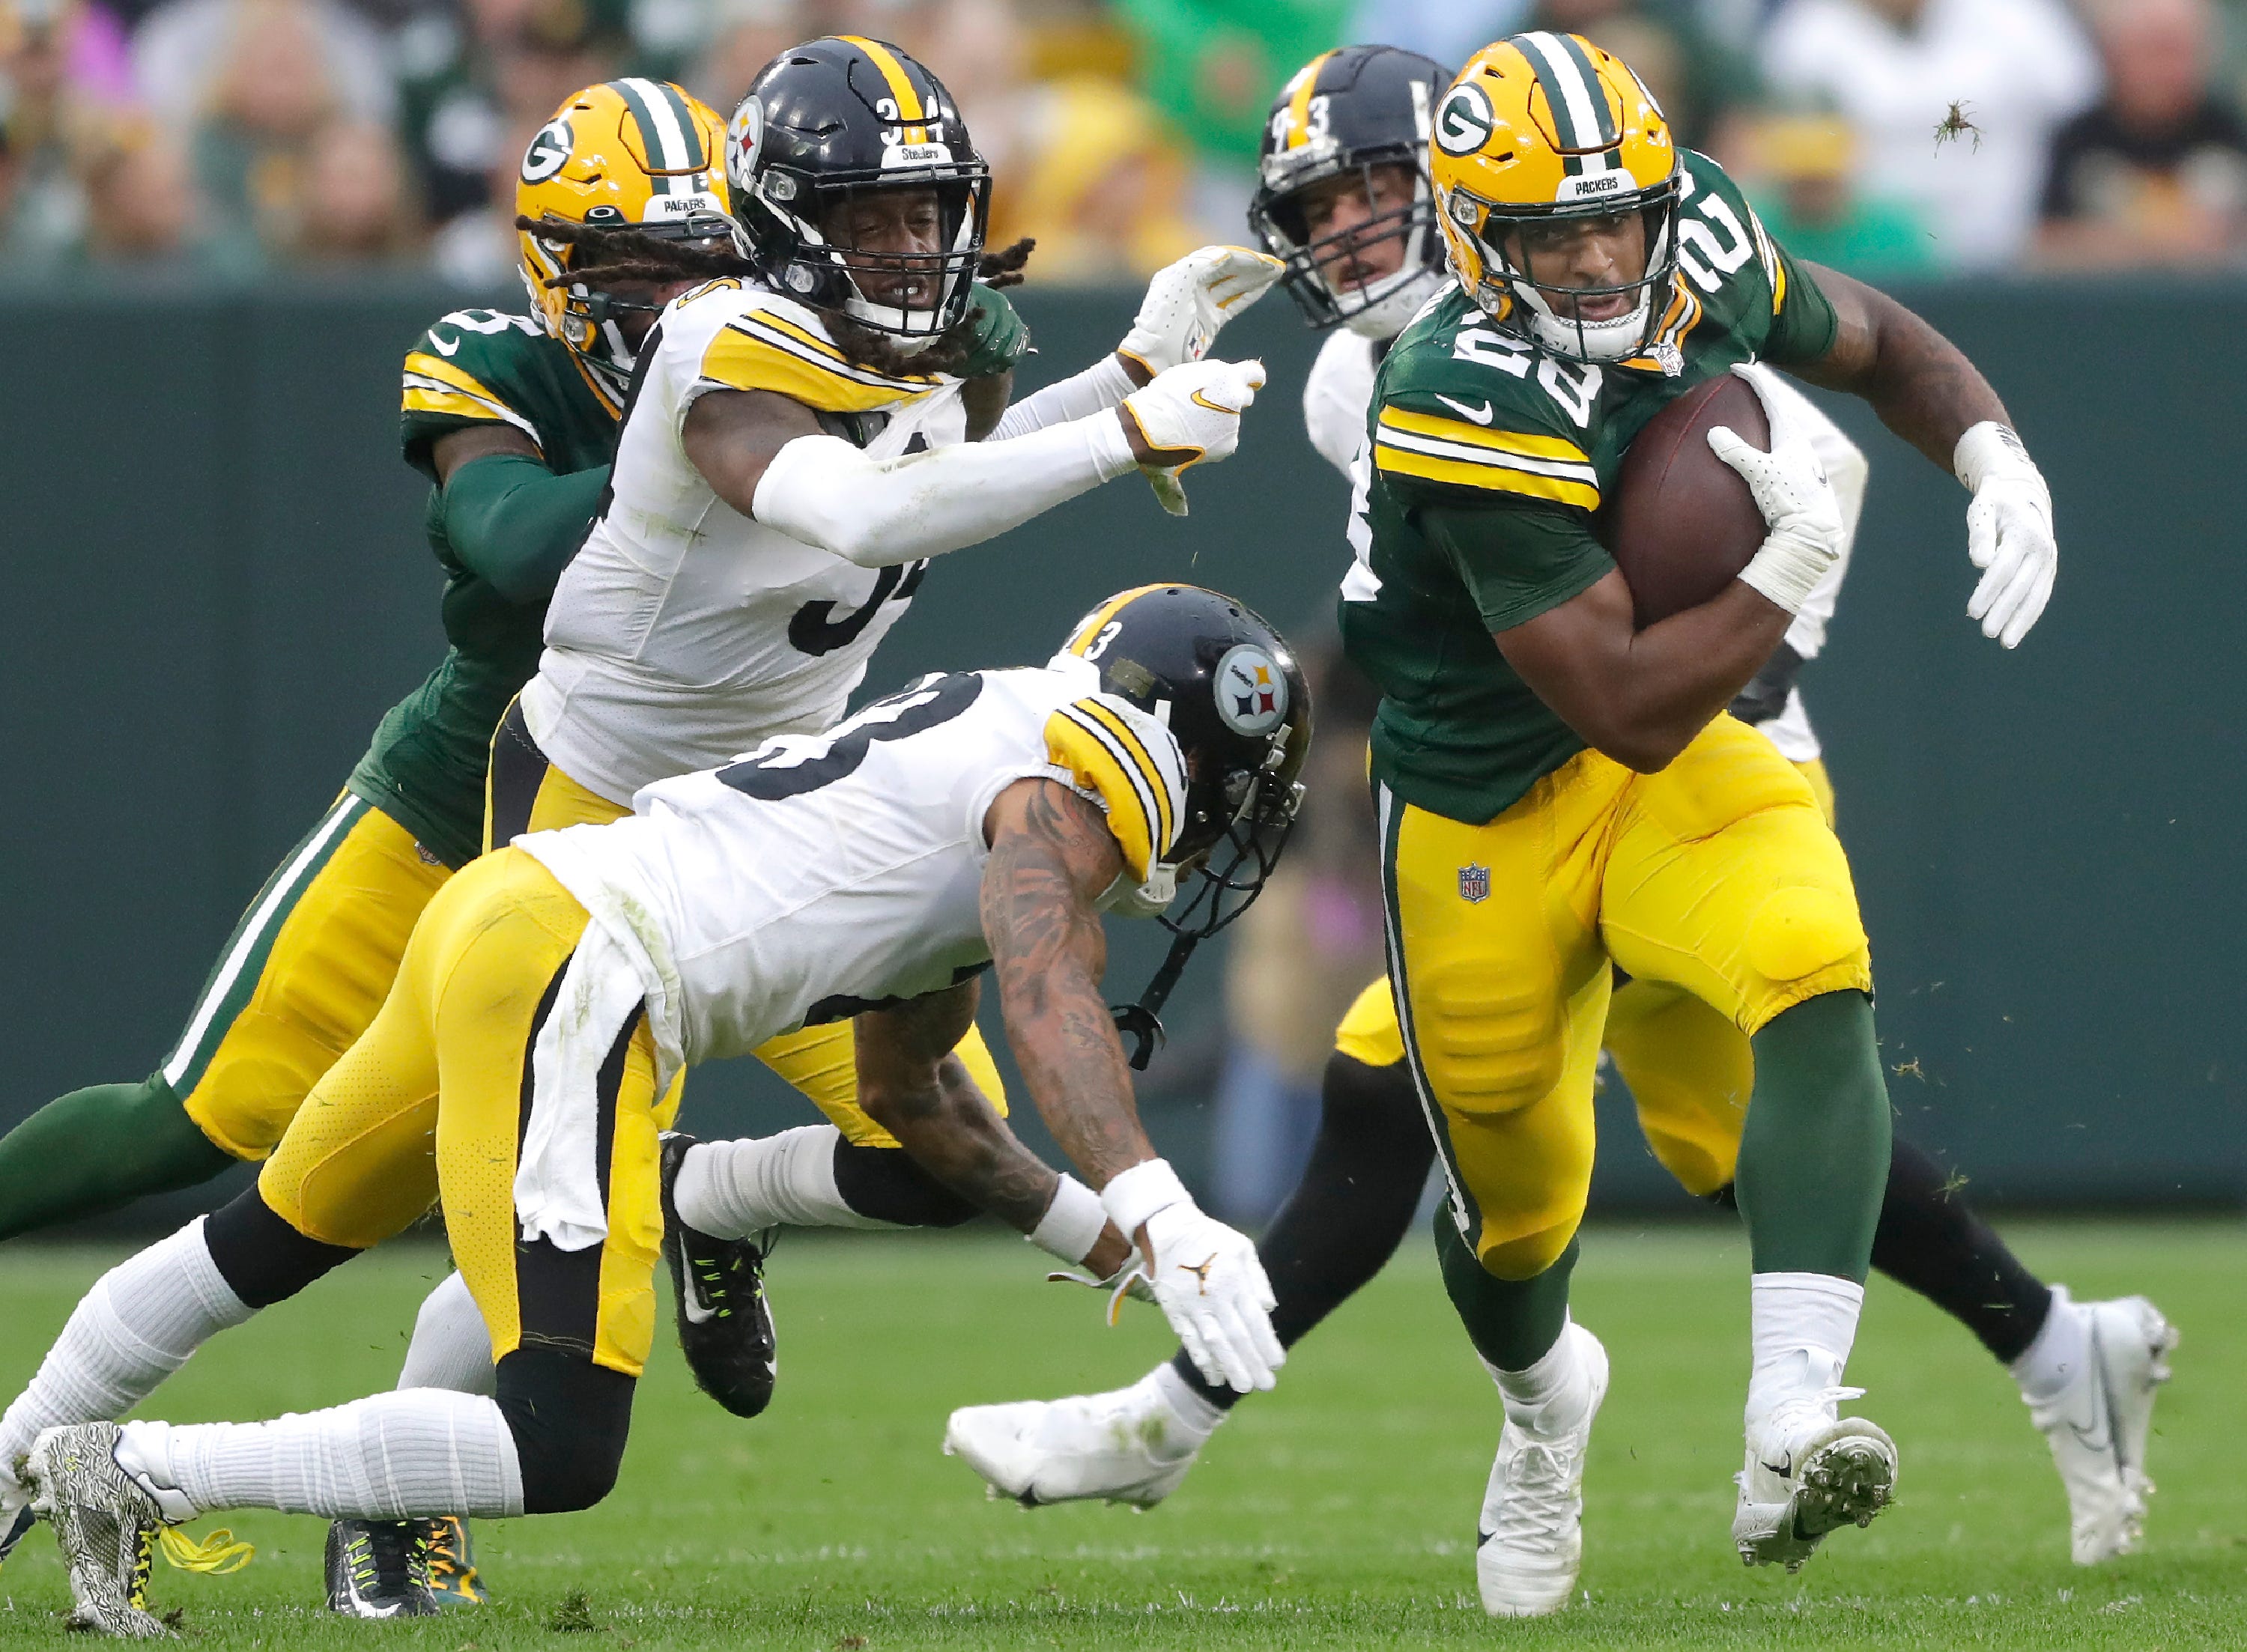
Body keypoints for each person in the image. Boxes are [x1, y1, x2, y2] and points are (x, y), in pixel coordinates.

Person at [948, 32, 2171, 1612]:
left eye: (1374, 187)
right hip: (1519, 764)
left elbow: (1824, 405)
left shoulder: (1683, 248)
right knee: (1539, 1138)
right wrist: (1125, 392)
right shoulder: (1390, 382)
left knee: (1766, 1027)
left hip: (1707, 727)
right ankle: (2053, 1343)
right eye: (1318, 209)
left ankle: (1206, 1414)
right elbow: (1500, 621)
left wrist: (1986, 453)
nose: (1347, 233)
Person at [14, 587, 1313, 1640]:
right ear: (1180, 747)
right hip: (584, 972)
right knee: (558, 1441)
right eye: (1239, 786)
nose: (1233, 829)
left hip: (518, 911)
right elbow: (1048, 987)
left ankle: (19, 1457)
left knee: (266, 1241)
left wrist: (1123, 1253)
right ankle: (125, 1474)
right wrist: (1161, 1201)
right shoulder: (1063, 792)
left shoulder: (997, 746)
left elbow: (915, 1102)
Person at [0, 76, 743, 1609]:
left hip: (692, 834)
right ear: (553, 267)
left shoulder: (787, 362)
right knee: (198, 1124)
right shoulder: (495, 358)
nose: (672, 300)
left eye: (697, 260)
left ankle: (416, 1496)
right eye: (631, 267)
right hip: (451, 804)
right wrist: (712, 438)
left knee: (890, 1120)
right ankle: (72, 1448)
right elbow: (517, 545)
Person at [2035, 0, 2247, 270]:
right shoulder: (2079, 139)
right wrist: (2155, 244)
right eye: (2154, 50)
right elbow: (2042, 245)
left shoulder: (2228, 133)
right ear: (2114, 53)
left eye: (2180, 51)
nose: (2166, 69)